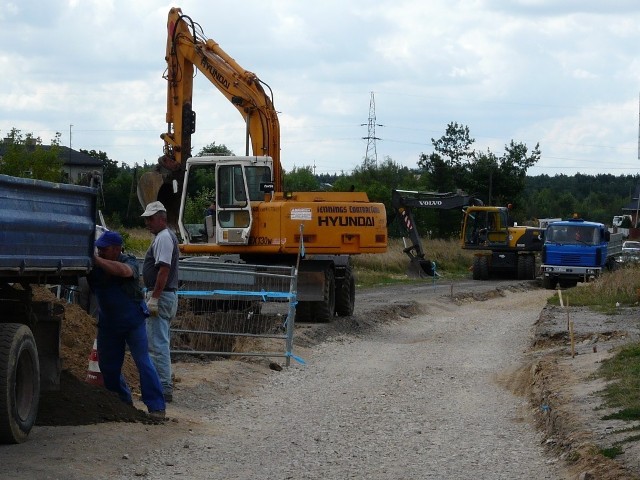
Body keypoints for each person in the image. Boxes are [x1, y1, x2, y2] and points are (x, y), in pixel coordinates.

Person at [86, 230, 166, 418]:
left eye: (103, 249)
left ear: (116, 250)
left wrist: (96, 260)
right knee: (108, 367)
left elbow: (124, 272)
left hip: (133, 322)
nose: (99, 252)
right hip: (108, 324)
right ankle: (122, 403)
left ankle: (156, 407)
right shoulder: (96, 266)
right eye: (98, 249)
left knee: (143, 362)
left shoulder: (128, 261)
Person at [141, 201, 179, 403]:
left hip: (162, 296)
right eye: (146, 219)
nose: (148, 223)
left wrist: (154, 297)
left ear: (161, 219)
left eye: (150, 219)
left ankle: (163, 388)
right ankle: (161, 385)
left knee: (157, 345)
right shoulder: (164, 237)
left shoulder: (164, 238)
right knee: (159, 342)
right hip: (166, 296)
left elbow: (163, 270)